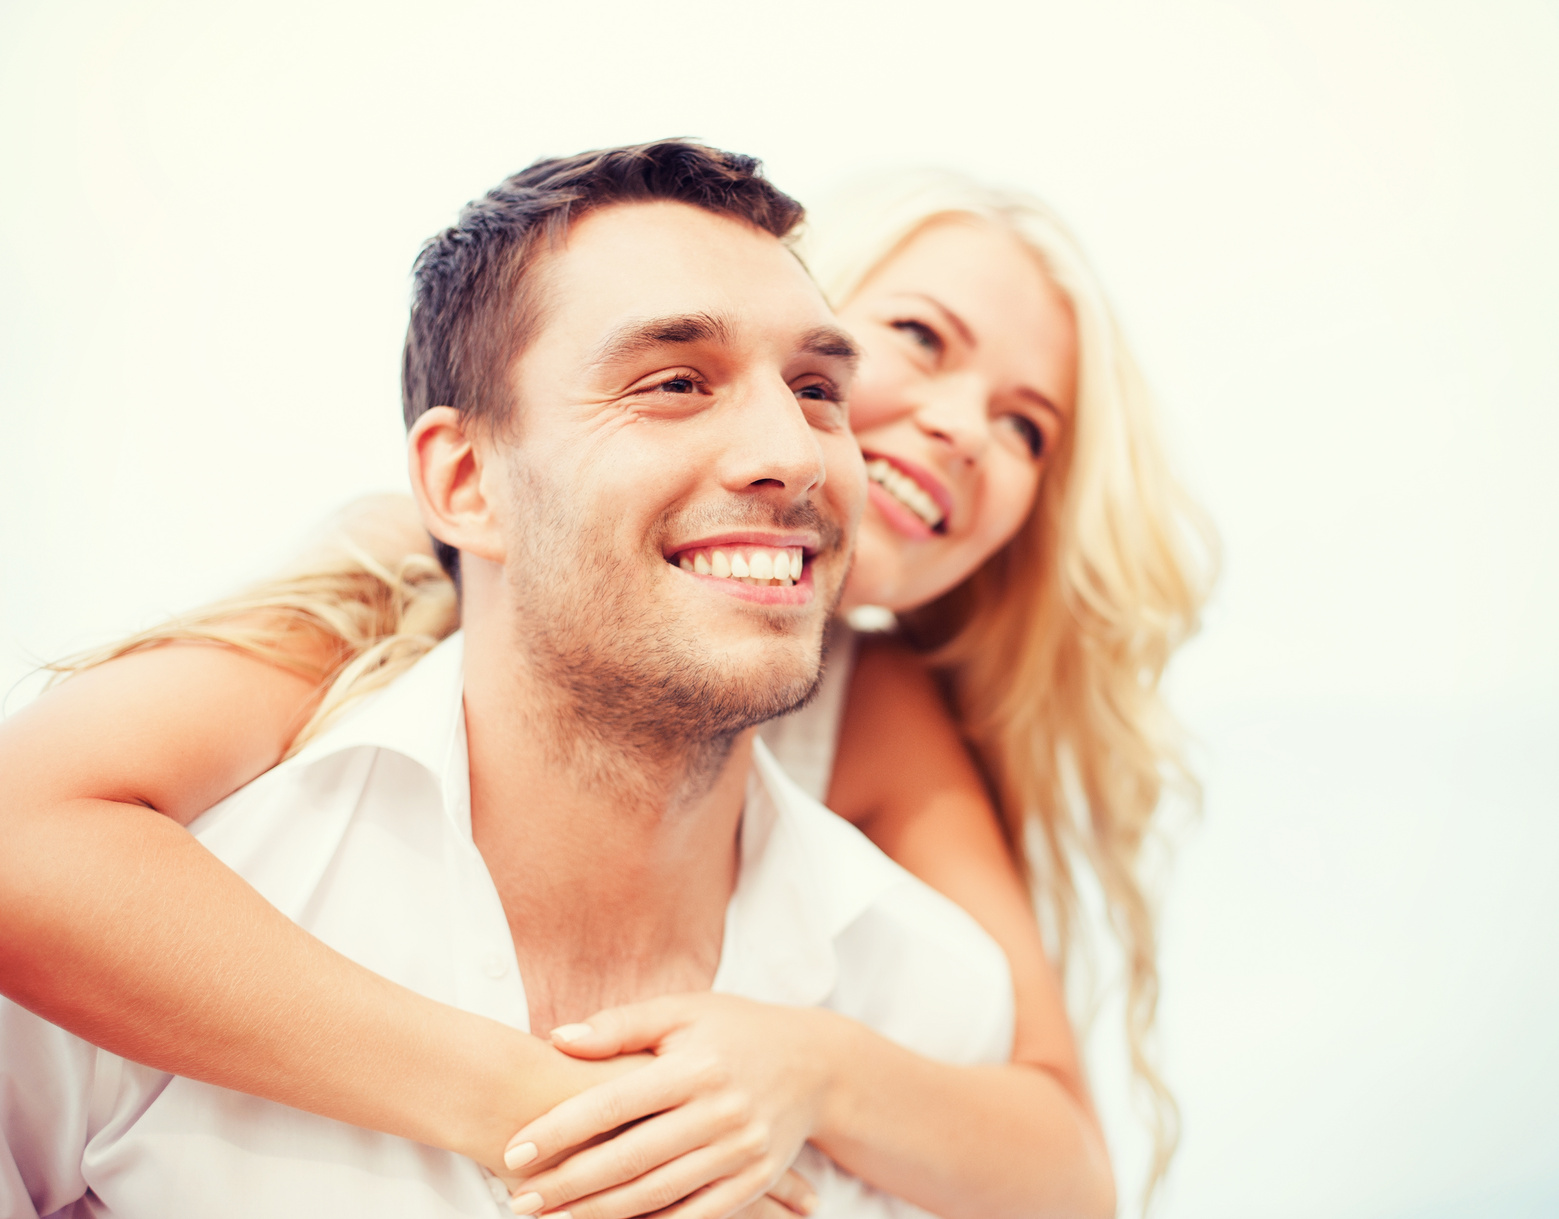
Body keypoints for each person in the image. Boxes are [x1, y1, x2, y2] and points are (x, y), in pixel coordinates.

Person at [0, 143, 1212, 1216]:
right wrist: (559, 1114)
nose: (957, 428)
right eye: (919, 340)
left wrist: (812, 1070)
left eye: (1025, 427)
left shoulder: (888, 750)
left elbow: (1059, 1161)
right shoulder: (403, 582)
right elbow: (26, 834)